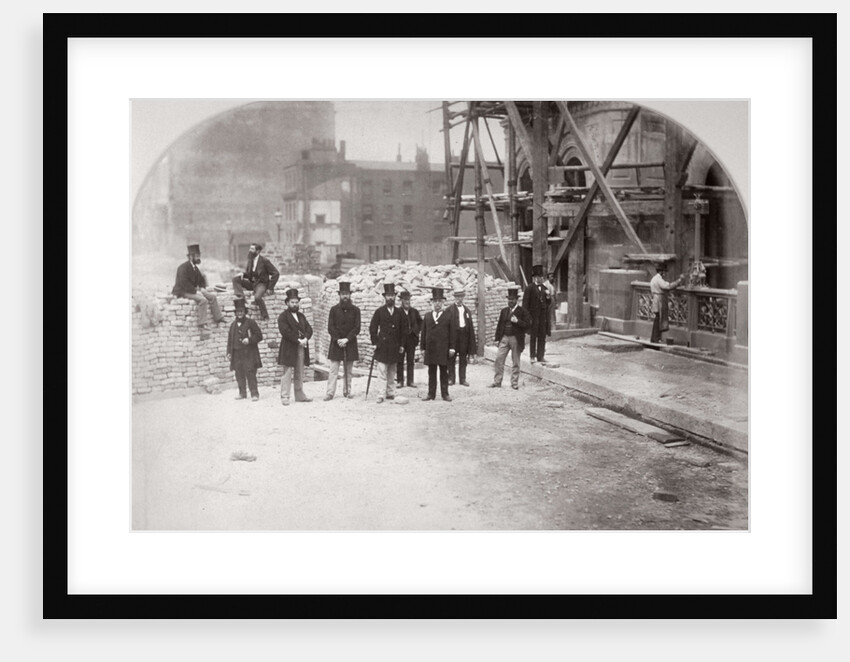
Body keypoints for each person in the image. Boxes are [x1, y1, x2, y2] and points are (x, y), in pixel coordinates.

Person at [171, 243, 224, 330]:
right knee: (203, 300)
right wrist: (195, 291)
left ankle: (218, 318)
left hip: (192, 290)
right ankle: (202, 323)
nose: (199, 258)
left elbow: (201, 280)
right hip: (183, 291)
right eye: (197, 256)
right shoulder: (182, 268)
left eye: (199, 256)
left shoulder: (195, 267)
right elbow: (183, 283)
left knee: (212, 297)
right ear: (191, 257)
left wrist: (202, 288)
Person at [489, 287, 531, 390]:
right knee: (499, 359)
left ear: (516, 300)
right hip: (504, 338)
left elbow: (528, 325)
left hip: (516, 339)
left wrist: (518, 321)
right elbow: (500, 325)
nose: (510, 301)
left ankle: (514, 382)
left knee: (515, 361)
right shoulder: (504, 311)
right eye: (509, 299)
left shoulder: (522, 311)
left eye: (512, 300)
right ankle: (497, 381)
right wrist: (497, 339)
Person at [369, 283, 404, 403]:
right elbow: (372, 328)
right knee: (382, 371)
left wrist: (402, 345)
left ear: (394, 297)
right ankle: (381, 394)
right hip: (382, 346)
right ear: (385, 297)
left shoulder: (400, 312)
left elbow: (404, 330)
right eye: (388, 296)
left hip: (395, 345)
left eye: (392, 296)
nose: (390, 298)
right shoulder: (379, 312)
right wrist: (375, 343)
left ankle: (390, 392)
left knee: (392, 371)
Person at [277, 288, 313, 405]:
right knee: (287, 372)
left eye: (296, 302)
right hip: (288, 347)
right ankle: (285, 396)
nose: (295, 304)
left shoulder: (301, 316)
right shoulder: (283, 317)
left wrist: (306, 339)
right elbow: (285, 332)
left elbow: (309, 329)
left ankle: (299, 395)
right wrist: (298, 340)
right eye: (292, 302)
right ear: (287, 303)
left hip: (301, 347)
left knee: (299, 371)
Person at [325, 281, 360, 400]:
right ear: (339, 295)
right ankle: (330, 393)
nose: (345, 296)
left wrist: (347, 339)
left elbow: (357, 327)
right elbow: (330, 327)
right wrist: (338, 339)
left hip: (350, 344)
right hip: (336, 344)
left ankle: (347, 391)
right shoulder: (334, 310)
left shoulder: (356, 310)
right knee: (333, 370)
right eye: (343, 294)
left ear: (350, 295)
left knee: (348, 371)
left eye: (347, 294)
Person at [419, 287, 454, 402]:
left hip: (443, 349)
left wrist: (452, 348)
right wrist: (422, 347)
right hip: (431, 349)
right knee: (431, 372)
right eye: (435, 301)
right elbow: (423, 333)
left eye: (440, 301)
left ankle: (445, 394)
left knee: (444, 372)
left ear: (443, 303)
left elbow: (452, 333)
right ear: (432, 303)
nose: (437, 304)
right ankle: (431, 394)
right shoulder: (428, 316)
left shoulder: (448, 316)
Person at [226, 298, 263, 401]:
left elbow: (259, 336)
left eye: (241, 311)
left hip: (249, 353)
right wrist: (229, 352)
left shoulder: (251, 322)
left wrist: (249, 340)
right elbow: (230, 340)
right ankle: (242, 393)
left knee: (250, 373)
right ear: (235, 313)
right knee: (239, 374)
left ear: (245, 312)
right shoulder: (233, 325)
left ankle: (254, 394)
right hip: (237, 354)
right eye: (238, 312)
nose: (239, 314)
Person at [232, 242, 280, 320]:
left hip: (261, 284)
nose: (249, 250)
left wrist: (270, 287)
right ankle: (241, 297)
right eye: (250, 248)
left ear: (257, 251)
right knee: (236, 279)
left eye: (252, 249)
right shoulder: (251, 260)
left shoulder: (264, 261)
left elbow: (276, 273)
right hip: (252, 284)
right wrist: (243, 274)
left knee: (257, 297)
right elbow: (249, 274)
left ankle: (265, 316)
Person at [649, 262, 685, 345]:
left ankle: (655, 338)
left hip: (656, 299)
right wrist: (679, 281)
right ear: (661, 271)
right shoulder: (658, 279)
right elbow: (667, 286)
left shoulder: (654, 278)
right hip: (659, 300)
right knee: (658, 319)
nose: (664, 274)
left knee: (657, 319)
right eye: (664, 272)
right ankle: (655, 338)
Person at [446, 288, 476, 386]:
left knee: (463, 359)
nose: (459, 299)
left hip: (464, 337)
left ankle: (462, 379)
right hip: (453, 337)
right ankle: (451, 378)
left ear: (463, 297)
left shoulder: (466, 310)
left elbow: (470, 327)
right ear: (454, 298)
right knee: (451, 359)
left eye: (461, 297)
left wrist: (471, 345)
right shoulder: (449, 310)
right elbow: (446, 327)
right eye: (457, 297)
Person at [522, 264, 552, 363]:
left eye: (542, 277)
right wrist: (527, 317)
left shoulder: (544, 288)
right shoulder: (529, 288)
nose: (541, 279)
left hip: (542, 317)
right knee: (533, 336)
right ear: (535, 277)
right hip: (533, 317)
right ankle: (532, 356)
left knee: (542, 336)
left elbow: (548, 303)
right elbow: (525, 304)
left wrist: (548, 298)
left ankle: (541, 356)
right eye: (540, 277)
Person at [396, 290, 422, 388]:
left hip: (411, 340)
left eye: (408, 299)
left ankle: (410, 381)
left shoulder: (414, 311)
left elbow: (421, 323)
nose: (407, 302)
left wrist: (416, 331)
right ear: (401, 300)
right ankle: (400, 381)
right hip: (401, 341)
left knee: (410, 360)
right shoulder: (397, 312)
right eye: (405, 300)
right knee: (400, 361)